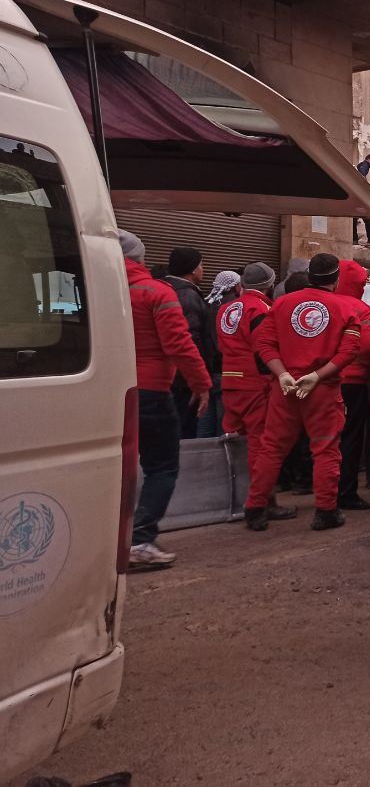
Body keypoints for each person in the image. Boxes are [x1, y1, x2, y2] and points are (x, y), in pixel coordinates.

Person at [247, 254, 362, 531]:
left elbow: (262, 342)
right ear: (335, 280)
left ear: (309, 276)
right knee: (325, 450)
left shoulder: (281, 304)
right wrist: (317, 376)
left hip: (284, 388)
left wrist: (282, 373)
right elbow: (350, 351)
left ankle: (255, 507)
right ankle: (325, 511)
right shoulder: (346, 308)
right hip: (322, 390)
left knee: (272, 447)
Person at [119, 232, 211, 568]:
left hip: (107, 390)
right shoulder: (156, 292)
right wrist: (201, 385)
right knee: (161, 466)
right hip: (151, 391)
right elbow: (180, 345)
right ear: (140, 258)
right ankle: (139, 540)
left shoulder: (96, 290)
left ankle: (114, 537)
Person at [216, 262, 298, 526]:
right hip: (254, 383)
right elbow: (264, 349)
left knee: (234, 443)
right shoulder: (261, 309)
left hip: (229, 381)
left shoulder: (225, 308)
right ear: (270, 285)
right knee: (261, 445)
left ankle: (233, 499)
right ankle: (262, 502)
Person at [336, 260, 370, 511]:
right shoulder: (362, 310)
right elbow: (368, 348)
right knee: (351, 438)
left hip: (316, 379)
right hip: (353, 382)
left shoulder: (320, 303)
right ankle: (345, 492)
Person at [165, 247, 218, 439]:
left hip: (168, 375)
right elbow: (190, 340)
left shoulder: (165, 289)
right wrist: (199, 377)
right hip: (183, 380)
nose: (203, 270)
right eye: (201, 265)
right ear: (193, 269)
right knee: (184, 429)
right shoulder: (188, 296)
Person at [353, 152, 370, 243]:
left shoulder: (361, 165)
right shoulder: (365, 165)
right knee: (367, 220)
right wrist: (366, 186)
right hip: (361, 198)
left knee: (354, 220)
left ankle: (354, 239)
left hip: (357, 198)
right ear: (369, 159)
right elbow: (362, 175)